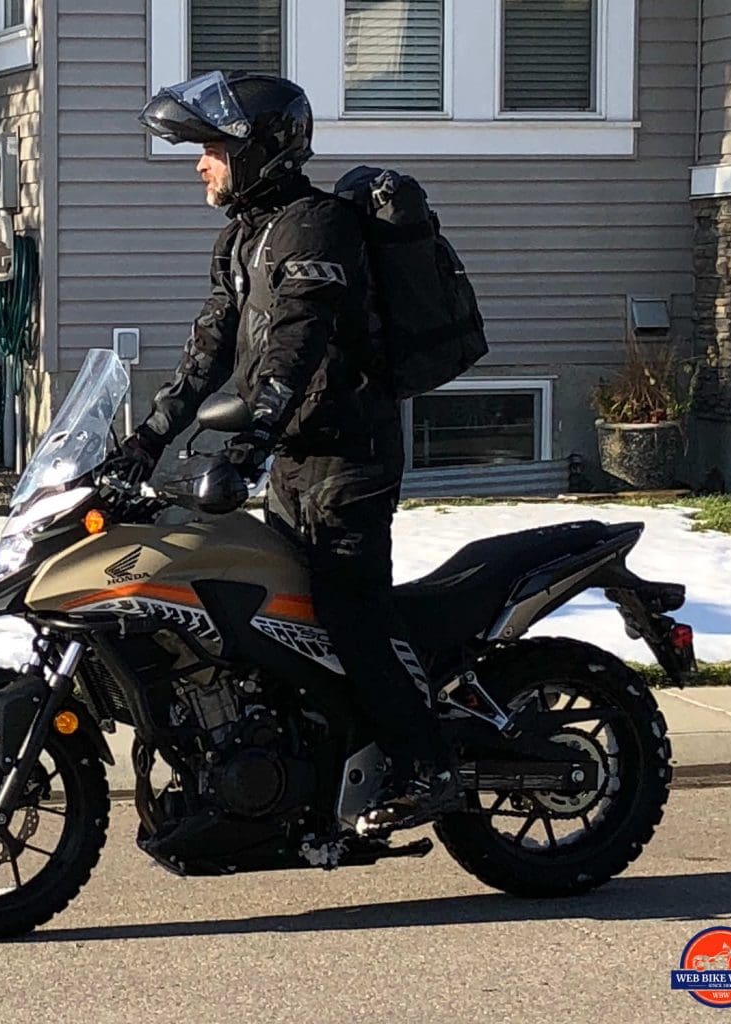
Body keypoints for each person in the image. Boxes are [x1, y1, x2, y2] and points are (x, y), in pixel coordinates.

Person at [123, 70, 458, 824]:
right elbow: (208, 352)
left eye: (211, 148)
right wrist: (143, 441)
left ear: (260, 149)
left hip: (348, 455)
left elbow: (293, 352)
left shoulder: (315, 227)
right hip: (299, 457)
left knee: (347, 605)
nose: (199, 163)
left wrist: (243, 452)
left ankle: (425, 765)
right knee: (278, 613)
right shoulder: (246, 233)